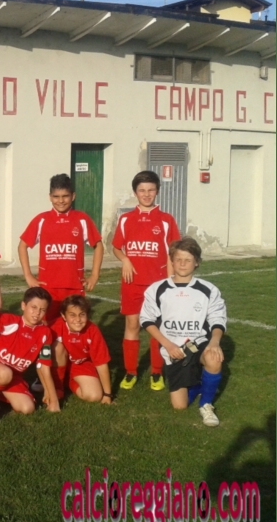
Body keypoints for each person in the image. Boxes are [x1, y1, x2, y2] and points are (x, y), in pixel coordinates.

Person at [140, 238, 227, 427]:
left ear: (197, 262)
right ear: (171, 261)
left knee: (214, 358)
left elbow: (218, 319)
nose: (182, 264)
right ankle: (198, 384)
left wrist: (214, 342)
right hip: (173, 350)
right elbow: (146, 320)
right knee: (180, 406)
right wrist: (167, 345)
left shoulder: (208, 290)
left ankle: (206, 404)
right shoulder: (157, 289)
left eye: (188, 260)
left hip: (198, 343)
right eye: (178, 259)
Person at [112, 170, 180, 391]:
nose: (146, 194)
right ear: (135, 193)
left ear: (157, 191)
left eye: (151, 190)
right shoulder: (125, 219)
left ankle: (156, 372)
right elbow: (116, 247)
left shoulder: (166, 220)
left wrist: (170, 282)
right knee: (132, 325)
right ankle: (131, 372)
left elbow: (172, 253)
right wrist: (125, 259)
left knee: (156, 327)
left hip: (157, 285)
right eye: (142, 190)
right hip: (132, 283)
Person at [18, 174, 104, 326]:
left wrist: (94, 275)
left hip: (74, 285)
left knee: (74, 325)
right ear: (50, 197)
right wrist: (28, 275)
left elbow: (98, 245)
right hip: (48, 287)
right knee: (47, 326)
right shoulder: (42, 219)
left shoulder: (81, 219)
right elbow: (22, 246)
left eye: (65, 196)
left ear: (73, 196)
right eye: (56, 196)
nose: (61, 201)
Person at [0, 287, 59, 415]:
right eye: (33, 307)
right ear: (23, 306)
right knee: (4, 373)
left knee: (27, 408)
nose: (37, 313)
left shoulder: (45, 333)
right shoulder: (6, 320)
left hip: (13, 376)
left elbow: (44, 367)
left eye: (42, 310)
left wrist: (54, 400)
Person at [49, 295, 113, 407]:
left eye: (82, 315)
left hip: (81, 364)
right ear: (63, 316)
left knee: (94, 396)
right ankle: (58, 386)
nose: (78, 320)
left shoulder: (92, 330)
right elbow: (41, 357)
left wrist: (107, 394)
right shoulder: (54, 327)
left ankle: (68, 380)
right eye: (72, 315)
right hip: (58, 362)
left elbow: (101, 363)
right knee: (57, 347)